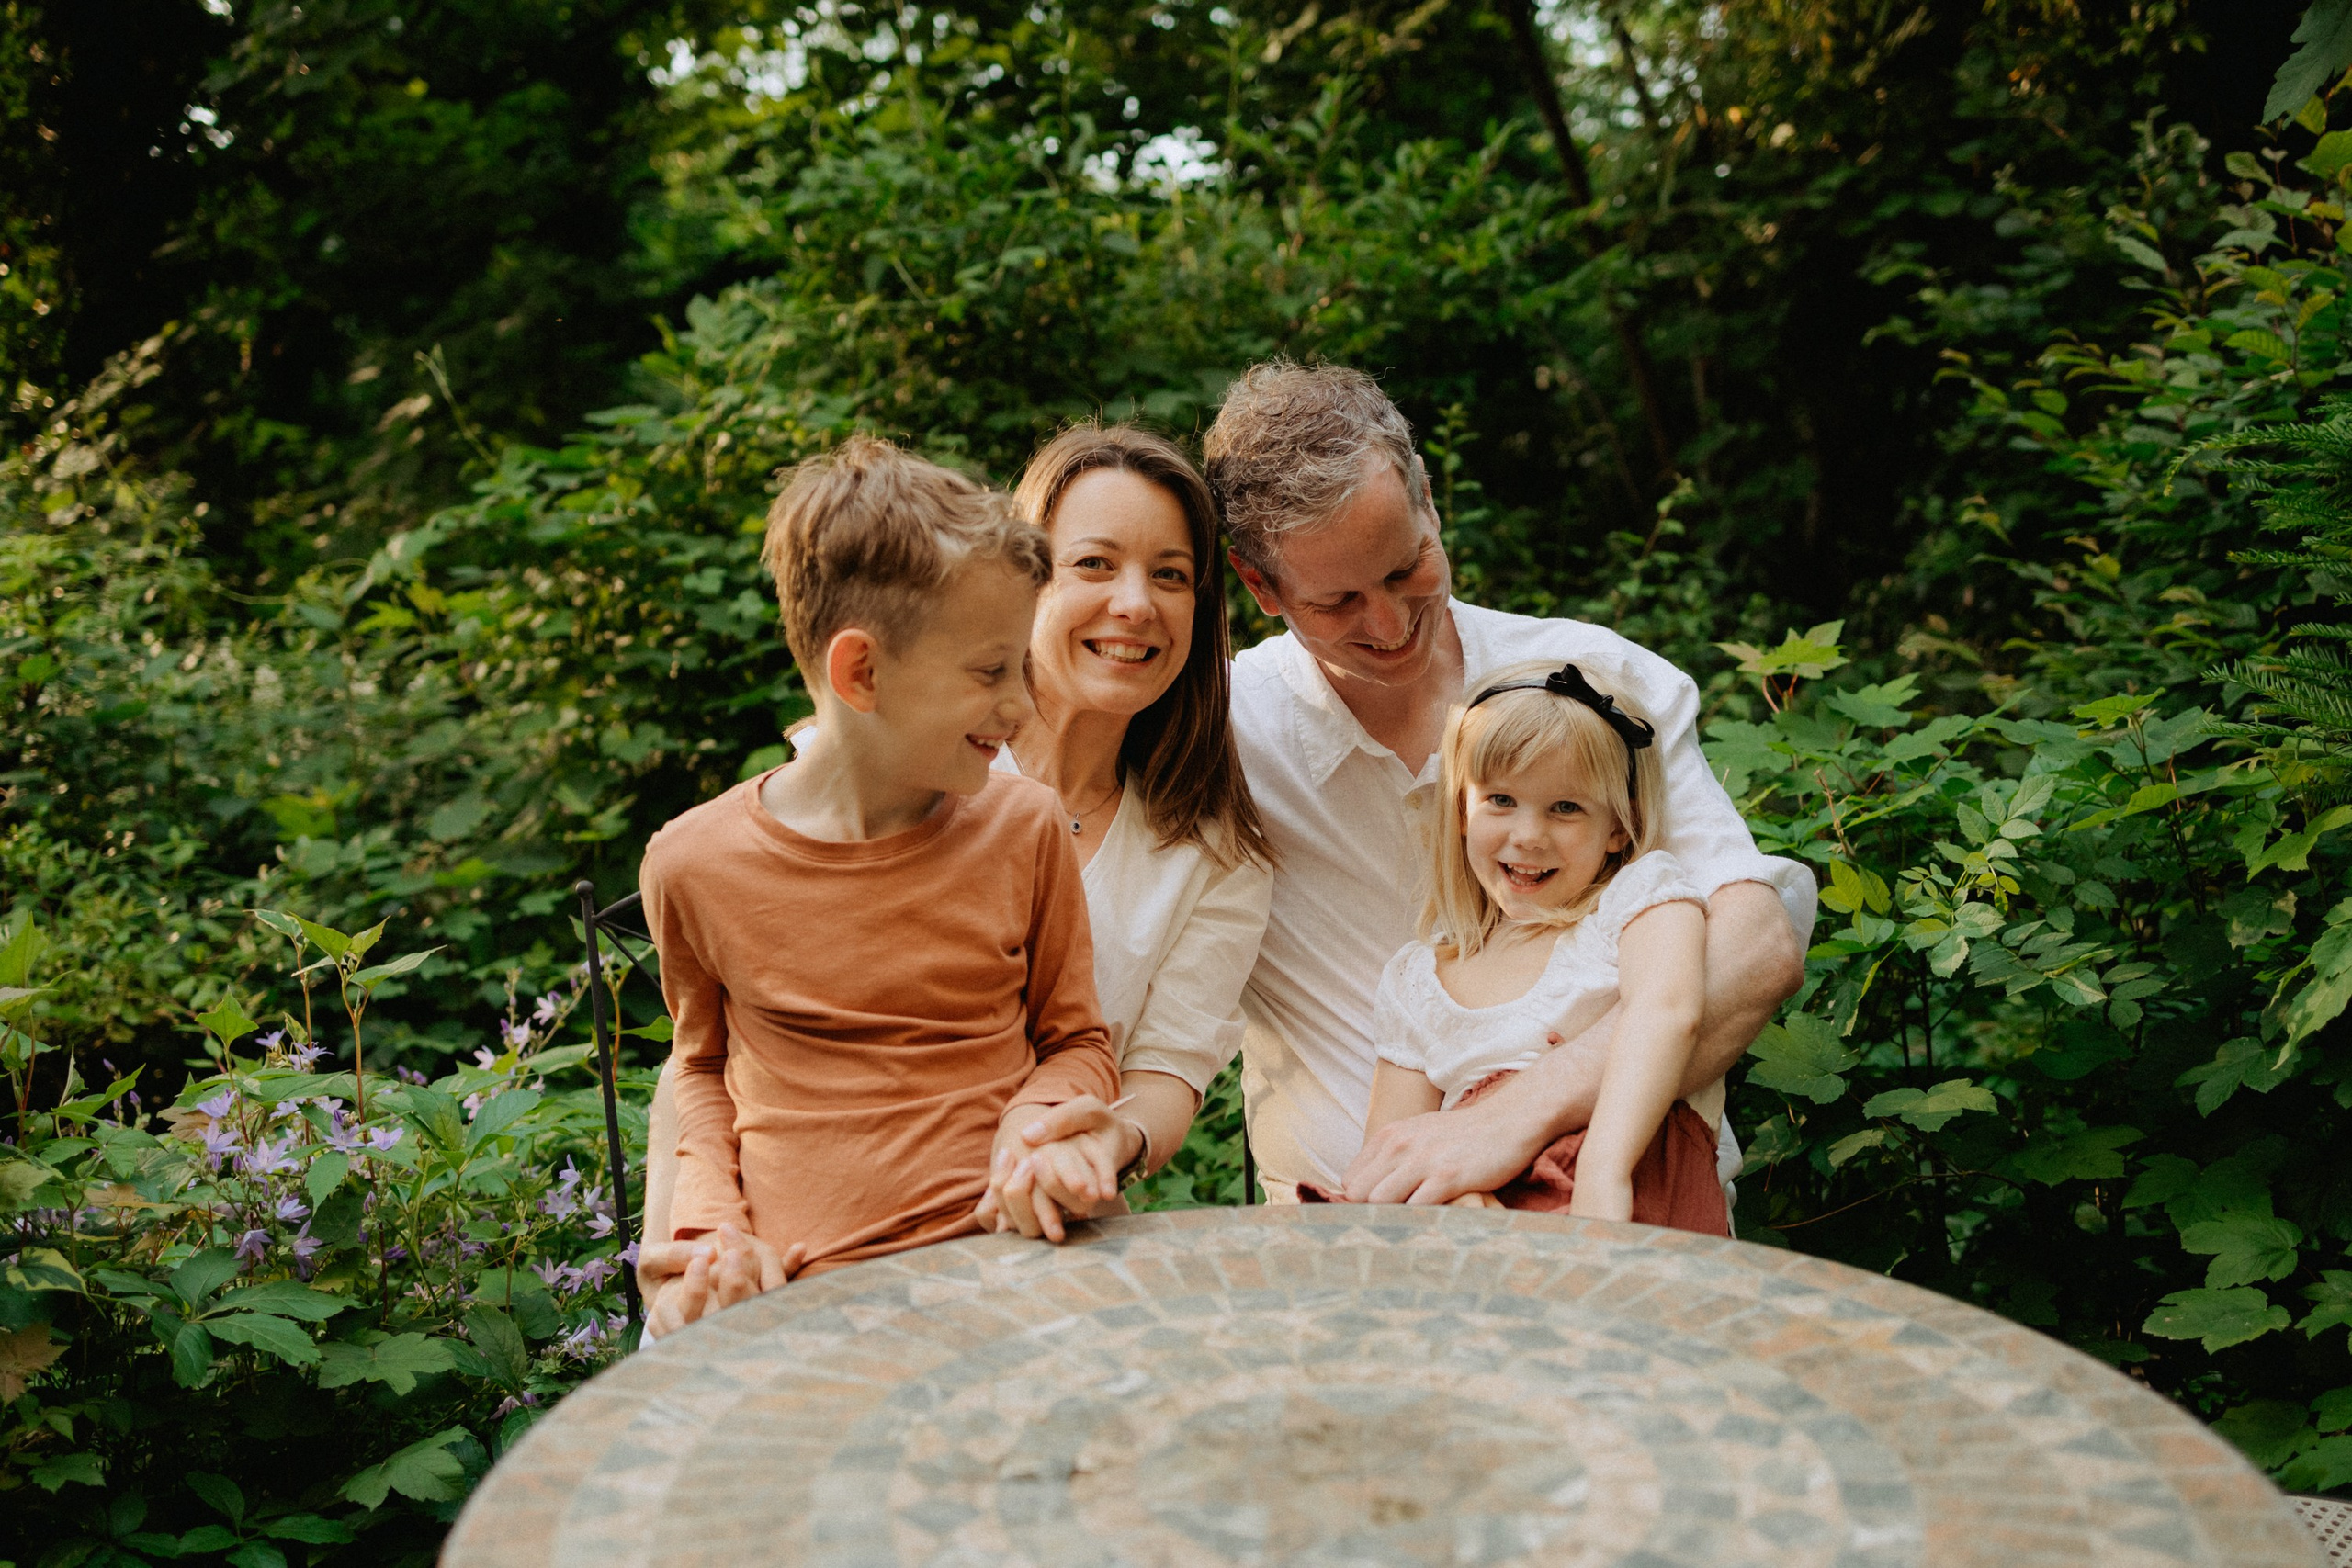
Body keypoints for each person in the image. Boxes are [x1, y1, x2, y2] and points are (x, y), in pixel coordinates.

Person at [638, 423, 1276, 1330]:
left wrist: (1078, 1138)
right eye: (1093, 563)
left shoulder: (1170, 846)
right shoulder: (879, 767)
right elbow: (708, 1064)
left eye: (1171, 574)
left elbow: (1135, 1062)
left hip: (1018, 1249)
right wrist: (695, 1243)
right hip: (787, 1284)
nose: (1135, 602)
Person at [1206, 361, 1817, 1205]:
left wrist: (1509, 1119)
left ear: (1428, 496)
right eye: (1338, 601)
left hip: (1633, 1221)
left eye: (1404, 567)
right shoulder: (1221, 735)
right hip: (1362, 1254)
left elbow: (1753, 950)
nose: (1388, 625)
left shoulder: (1590, 685)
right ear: (1259, 585)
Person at [1303, 660, 1726, 1232]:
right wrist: (1457, 1204)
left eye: (1566, 807)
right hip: (1473, 1231)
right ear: (1460, 811)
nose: (1528, 836)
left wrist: (1605, 1170)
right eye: (1501, 800)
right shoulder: (1419, 982)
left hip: (1624, 1201)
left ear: (1618, 827)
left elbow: (1668, 1011)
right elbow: (1390, 1150)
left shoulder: (1636, 902)